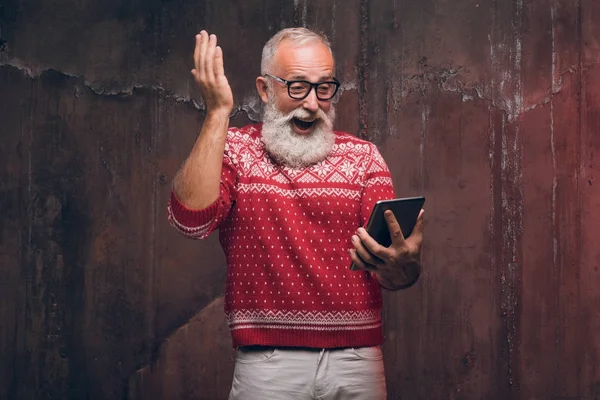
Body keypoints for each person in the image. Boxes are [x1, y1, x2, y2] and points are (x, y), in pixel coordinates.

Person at [167, 27, 424, 400]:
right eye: (297, 86)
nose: (313, 103)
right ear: (265, 89)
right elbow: (191, 220)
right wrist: (217, 114)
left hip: (356, 361)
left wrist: (404, 265)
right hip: (267, 362)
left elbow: (396, 274)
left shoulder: (364, 158)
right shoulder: (236, 149)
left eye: (324, 88)